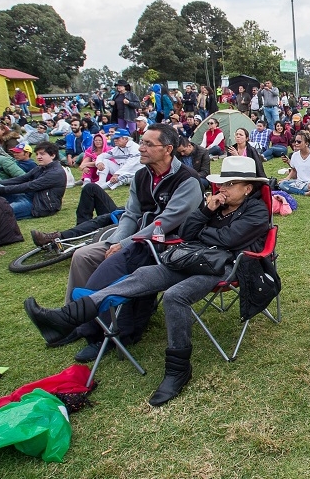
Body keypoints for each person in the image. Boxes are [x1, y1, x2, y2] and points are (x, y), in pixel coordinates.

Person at [25, 156, 268, 406]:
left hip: (228, 266)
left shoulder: (257, 211)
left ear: (248, 188)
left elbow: (228, 240)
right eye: (222, 184)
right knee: (142, 275)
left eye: (230, 184)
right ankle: (66, 318)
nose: (223, 189)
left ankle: (178, 370)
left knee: (175, 296)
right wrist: (206, 211)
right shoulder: (214, 206)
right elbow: (186, 232)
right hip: (193, 258)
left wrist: (203, 231)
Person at [60, 124, 203, 361]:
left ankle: (103, 331)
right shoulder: (141, 175)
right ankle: (76, 317)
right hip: (135, 238)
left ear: (168, 149)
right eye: (142, 142)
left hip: (165, 244)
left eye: (148, 144)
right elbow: (131, 214)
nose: (141, 148)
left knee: (117, 262)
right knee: (83, 256)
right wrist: (114, 242)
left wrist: (124, 244)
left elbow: (164, 223)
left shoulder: (188, 180)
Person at [0, 142, 67, 220]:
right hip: (26, 197)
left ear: (53, 155)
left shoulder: (55, 173)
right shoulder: (41, 168)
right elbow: (21, 179)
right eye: (37, 154)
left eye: (42, 154)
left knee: (0, 214)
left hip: (39, 205)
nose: (38, 157)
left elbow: (30, 186)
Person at [279, 130, 310, 196]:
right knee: (282, 184)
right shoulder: (294, 155)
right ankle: (304, 193)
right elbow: (293, 170)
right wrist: (287, 178)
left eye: (299, 142)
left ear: (306, 143)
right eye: (295, 141)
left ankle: (296, 190)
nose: (296, 143)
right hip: (299, 182)